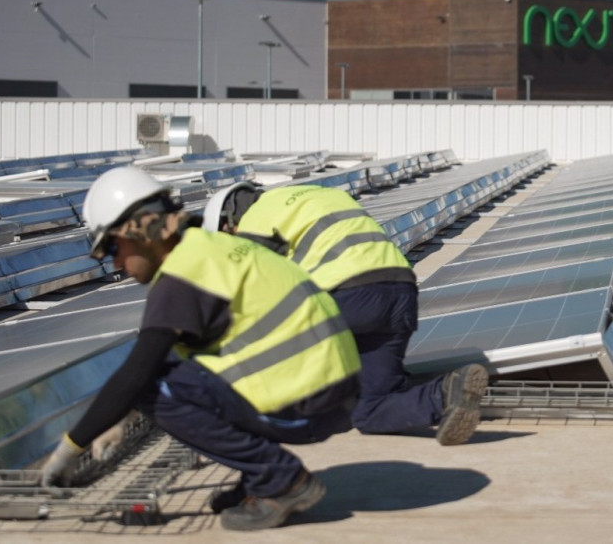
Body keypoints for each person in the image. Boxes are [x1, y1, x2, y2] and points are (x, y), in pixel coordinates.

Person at [41, 167, 361, 531]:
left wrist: (70, 449)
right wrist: (120, 420)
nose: (115, 263)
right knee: (177, 376)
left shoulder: (182, 275)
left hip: (307, 402)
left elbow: (137, 373)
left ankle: (280, 479)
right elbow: (175, 356)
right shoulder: (212, 248)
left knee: (156, 390)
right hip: (333, 394)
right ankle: (258, 480)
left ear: (140, 231)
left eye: (113, 247)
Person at [202, 182, 487, 446]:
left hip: (345, 296)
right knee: (371, 409)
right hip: (401, 293)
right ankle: (445, 394)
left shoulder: (256, 219)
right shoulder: (324, 194)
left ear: (229, 223)